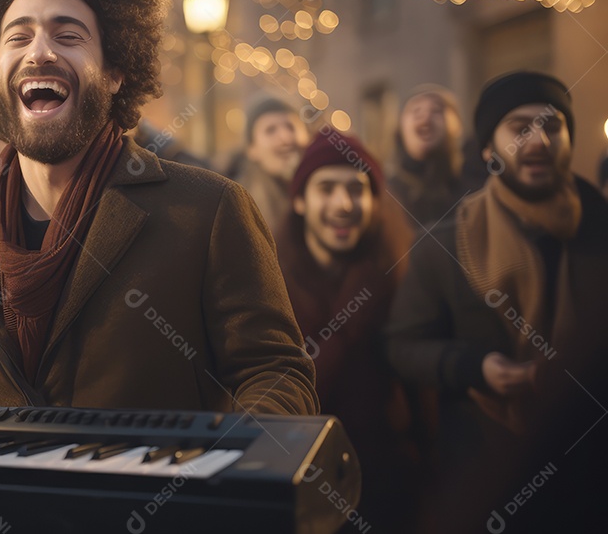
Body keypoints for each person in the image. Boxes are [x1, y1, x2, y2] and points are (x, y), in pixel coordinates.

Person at [0, 0, 317, 415]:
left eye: (68, 36)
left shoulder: (209, 209)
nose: (39, 52)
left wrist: (220, 471)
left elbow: (274, 373)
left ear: (114, 73)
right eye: (17, 37)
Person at [386, 72, 608, 524]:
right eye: (519, 127)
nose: (538, 140)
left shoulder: (600, 232)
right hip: (485, 472)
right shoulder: (445, 244)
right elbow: (401, 346)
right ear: (488, 149)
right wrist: (473, 367)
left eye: (551, 126)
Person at [275, 127, 417, 530]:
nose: (343, 204)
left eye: (356, 189)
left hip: (387, 486)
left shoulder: (401, 277)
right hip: (294, 489)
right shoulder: (266, 284)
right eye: (327, 189)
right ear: (300, 200)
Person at [387, 86, 473, 227]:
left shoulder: (476, 188)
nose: (426, 116)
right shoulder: (387, 195)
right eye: (416, 111)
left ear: (456, 126)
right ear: (400, 129)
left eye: (437, 110)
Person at [227, 98, 311, 230]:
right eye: (270, 130)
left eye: (291, 127)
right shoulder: (237, 207)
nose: (285, 138)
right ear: (251, 149)